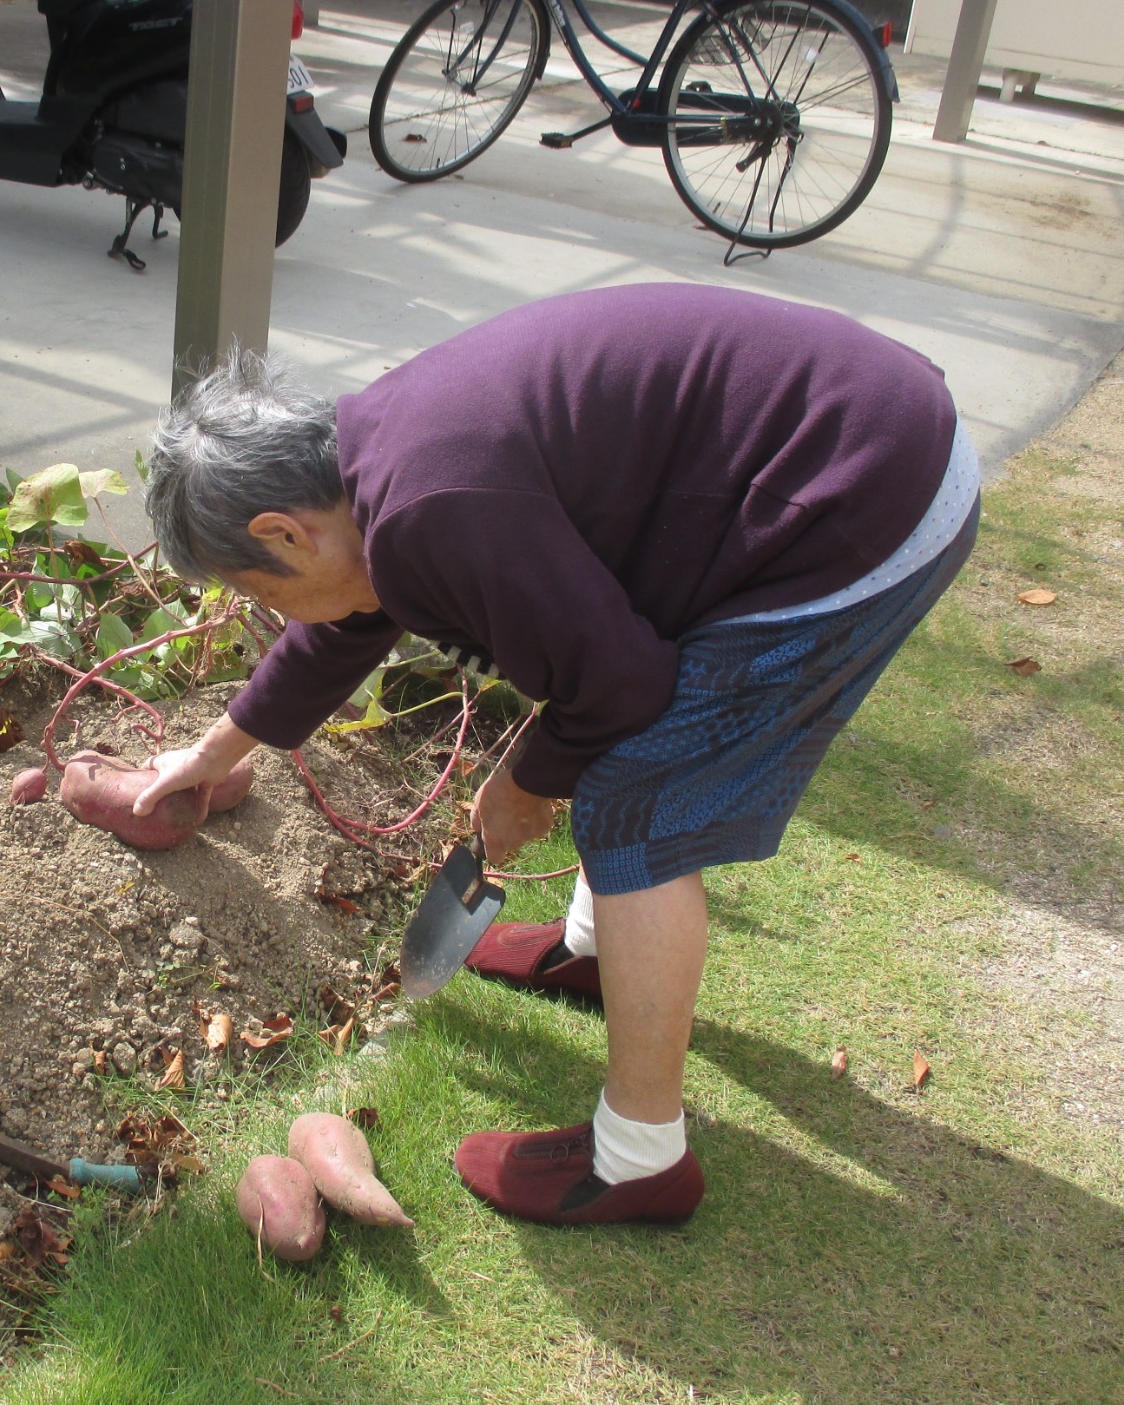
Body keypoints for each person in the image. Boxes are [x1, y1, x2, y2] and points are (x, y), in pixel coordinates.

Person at [132, 284, 979, 1226]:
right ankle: (590, 949)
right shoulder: (370, 462)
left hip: (861, 496)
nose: (278, 614)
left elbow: (621, 688)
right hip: (849, 440)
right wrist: (212, 752)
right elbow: (349, 615)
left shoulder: (431, 505)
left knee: (635, 797)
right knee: (620, 756)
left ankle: (638, 1157)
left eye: (263, 591)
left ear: (285, 532)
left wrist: (523, 788)